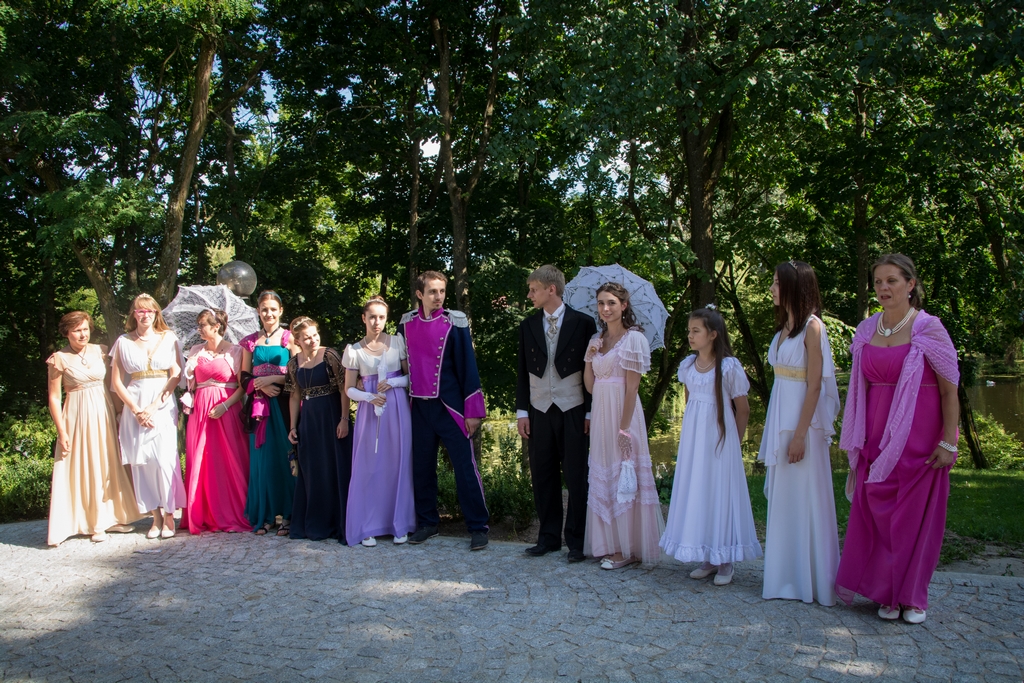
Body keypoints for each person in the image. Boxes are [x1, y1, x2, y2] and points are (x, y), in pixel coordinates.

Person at [836, 254, 960, 624]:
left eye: (891, 280)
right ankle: (887, 593)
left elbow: (950, 391)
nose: (883, 288)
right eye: (878, 282)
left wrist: (949, 441)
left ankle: (913, 597)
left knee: (913, 519)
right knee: (878, 514)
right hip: (874, 436)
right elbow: (859, 389)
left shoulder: (929, 329)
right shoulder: (866, 329)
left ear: (910, 284)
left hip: (919, 437)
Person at [758, 261, 841, 605]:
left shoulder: (813, 328)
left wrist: (799, 435)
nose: (772, 289)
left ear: (795, 286)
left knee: (806, 496)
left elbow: (815, 386)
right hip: (780, 417)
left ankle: (813, 580)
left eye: (778, 283)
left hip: (802, 424)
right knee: (785, 498)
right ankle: (785, 577)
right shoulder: (784, 328)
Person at [660, 307, 762, 585]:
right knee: (700, 489)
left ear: (713, 334)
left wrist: (733, 444)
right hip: (695, 439)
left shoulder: (728, 367)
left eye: (696, 331)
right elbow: (690, 403)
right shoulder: (688, 367)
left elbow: (743, 410)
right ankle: (708, 553)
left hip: (720, 439)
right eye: (689, 331)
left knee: (719, 491)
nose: (690, 336)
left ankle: (725, 558)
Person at [398, 271, 489, 551]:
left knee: (465, 468)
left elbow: (468, 367)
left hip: (451, 408)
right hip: (418, 408)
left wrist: (472, 411)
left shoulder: (455, 322)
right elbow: (400, 365)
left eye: (442, 291)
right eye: (432, 292)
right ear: (419, 294)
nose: (438, 297)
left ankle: (478, 526)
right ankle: (427, 523)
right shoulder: (406, 324)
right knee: (422, 469)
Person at [516, 265, 597, 563]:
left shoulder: (583, 323)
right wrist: (522, 411)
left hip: (573, 406)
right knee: (542, 473)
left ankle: (576, 540)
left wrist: (589, 412)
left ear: (551, 289)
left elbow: (592, 372)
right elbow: (522, 371)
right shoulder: (528, 325)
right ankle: (548, 538)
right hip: (539, 408)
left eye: (533, 289)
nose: (529, 295)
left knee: (576, 474)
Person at [583, 282, 664, 568]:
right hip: (600, 413)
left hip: (623, 414)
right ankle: (610, 544)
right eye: (601, 303)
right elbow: (590, 387)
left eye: (612, 303)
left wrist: (624, 429)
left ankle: (628, 548)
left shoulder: (634, 339)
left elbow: (632, 389)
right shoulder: (597, 338)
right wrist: (589, 357)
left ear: (624, 305)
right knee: (605, 474)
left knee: (625, 476)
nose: (605, 308)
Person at [46, 311, 141, 545]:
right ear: (67, 333)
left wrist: (119, 413)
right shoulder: (59, 359)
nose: (83, 334)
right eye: (77, 330)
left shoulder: (101, 350)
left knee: (106, 463)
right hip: (76, 416)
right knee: (84, 465)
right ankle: (91, 522)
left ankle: (111, 517)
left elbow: (112, 386)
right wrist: (61, 431)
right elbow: (54, 398)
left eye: (85, 329)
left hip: (103, 412)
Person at [110, 294, 186, 539]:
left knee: (164, 459)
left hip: (162, 403)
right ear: (134, 314)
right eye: (140, 311)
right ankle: (154, 516)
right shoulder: (122, 342)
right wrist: (136, 410)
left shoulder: (169, 338)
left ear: (156, 314)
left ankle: (169, 514)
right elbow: (116, 382)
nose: (145, 315)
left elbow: (176, 374)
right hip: (135, 402)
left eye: (149, 311)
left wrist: (154, 406)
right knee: (141, 462)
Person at [342, 297, 416, 547]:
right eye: (372, 317)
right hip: (369, 411)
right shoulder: (354, 351)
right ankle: (367, 526)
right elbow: (349, 389)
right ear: (364, 318)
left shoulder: (397, 343)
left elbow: (411, 378)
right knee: (369, 467)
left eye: (381, 317)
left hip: (397, 409)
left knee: (398, 463)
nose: (377, 322)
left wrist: (394, 382)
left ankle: (399, 523)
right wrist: (369, 397)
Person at [181, 309, 251, 534]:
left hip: (226, 408)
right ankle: (202, 512)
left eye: (203, 325)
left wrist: (225, 406)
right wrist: (189, 369)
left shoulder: (236, 351)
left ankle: (232, 511)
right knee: (202, 458)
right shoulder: (195, 350)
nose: (199, 329)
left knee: (230, 457)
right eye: (199, 325)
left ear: (216, 326)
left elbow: (243, 386)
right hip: (201, 410)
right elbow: (189, 383)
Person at [286, 316, 353, 542]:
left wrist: (344, 419)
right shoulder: (293, 364)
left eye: (315, 335)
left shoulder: (330, 355)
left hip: (332, 416)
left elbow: (344, 389)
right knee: (313, 470)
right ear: (297, 340)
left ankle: (340, 522)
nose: (313, 340)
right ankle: (317, 522)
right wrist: (293, 426)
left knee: (336, 467)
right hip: (309, 421)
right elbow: (294, 396)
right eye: (307, 337)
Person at [240, 291, 296, 536]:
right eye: (264, 309)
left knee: (285, 457)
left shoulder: (289, 338)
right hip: (259, 407)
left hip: (283, 404)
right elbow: (243, 377)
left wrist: (274, 380)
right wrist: (260, 386)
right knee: (263, 462)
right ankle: (266, 514)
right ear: (258, 311)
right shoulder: (249, 342)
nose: (269, 313)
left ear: (280, 311)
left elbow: (297, 372)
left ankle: (288, 514)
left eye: (273, 309)